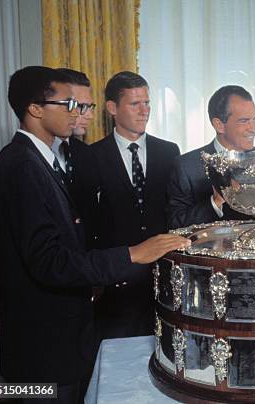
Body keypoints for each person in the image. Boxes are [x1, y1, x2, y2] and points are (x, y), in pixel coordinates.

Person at [0, 66, 189, 403]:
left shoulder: (41, 161)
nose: (78, 112)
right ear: (35, 109)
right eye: (67, 103)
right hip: (43, 351)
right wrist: (132, 254)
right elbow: (49, 262)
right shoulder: (20, 165)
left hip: (64, 342)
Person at [91, 71, 181, 340]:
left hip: (164, 282)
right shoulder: (91, 157)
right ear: (112, 108)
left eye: (147, 103)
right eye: (135, 104)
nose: (145, 111)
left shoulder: (169, 152)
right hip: (116, 287)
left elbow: (175, 211)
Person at [167, 85, 255, 228]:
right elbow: (175, 224)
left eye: (254, 119)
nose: (254, 128)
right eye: (244, 121)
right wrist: (215, 202)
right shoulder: (187, 166)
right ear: (219, 125)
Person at [52, 68, 100, 246]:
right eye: (81, 107)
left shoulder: (87, 154)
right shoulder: (29, 157)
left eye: (90, 107)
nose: (90, 116)